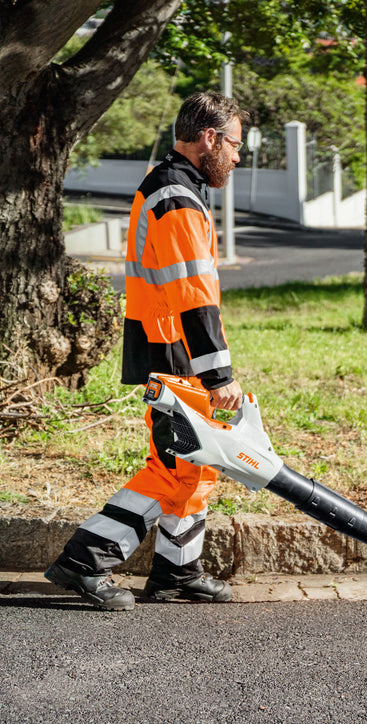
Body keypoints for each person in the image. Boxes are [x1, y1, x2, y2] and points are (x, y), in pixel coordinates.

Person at [45, 92, 247, 611]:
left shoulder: (177, 188)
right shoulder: (175, 195)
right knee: (175, 467)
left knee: (194, 463)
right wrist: (218, 373)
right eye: (235, 144)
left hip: (170, 345)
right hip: (173, 348)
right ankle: (85, 559)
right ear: (209, 138)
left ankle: (178, 572)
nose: (238, 156)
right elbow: (192, 293)